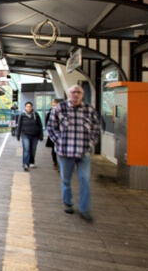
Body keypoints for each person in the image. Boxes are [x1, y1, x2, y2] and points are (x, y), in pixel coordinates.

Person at [47, 85, 101, 223]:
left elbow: (96, 128)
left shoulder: (89, 110)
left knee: (85, 180)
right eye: (73, 92)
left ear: (82, 95)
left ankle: (84, 209)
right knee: (66, 179)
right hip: (65, 152)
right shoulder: (59, 108)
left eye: (78, 92)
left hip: (84, 152)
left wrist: (91, 143)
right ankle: (68, 202)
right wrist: (59, 142)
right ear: (68, 94)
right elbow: (51, 127)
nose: (75, 95)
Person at [15, 101, 43, 171]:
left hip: (35, 135)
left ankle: (31, 162)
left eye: (30, 106)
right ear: (25, 107)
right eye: (27, 106)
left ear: (32, 107)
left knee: (33, 150)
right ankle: (25, 164)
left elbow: (40, 125)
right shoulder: (22, 115)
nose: (29, 108)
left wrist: (41, 135)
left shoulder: (36, 115)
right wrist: (18, 135)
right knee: (26, 149)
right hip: (25, 135)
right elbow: (19, 125)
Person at [44, 99, 62, 171]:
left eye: (56, 105)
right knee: (54, 149)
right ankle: (55, 162)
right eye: (53, 105)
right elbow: (47, 124)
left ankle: (61, 165)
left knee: (61, 150)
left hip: (62, 135)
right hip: (53, 135)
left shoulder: (63, 113)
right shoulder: (49, 114)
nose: (54, 107)